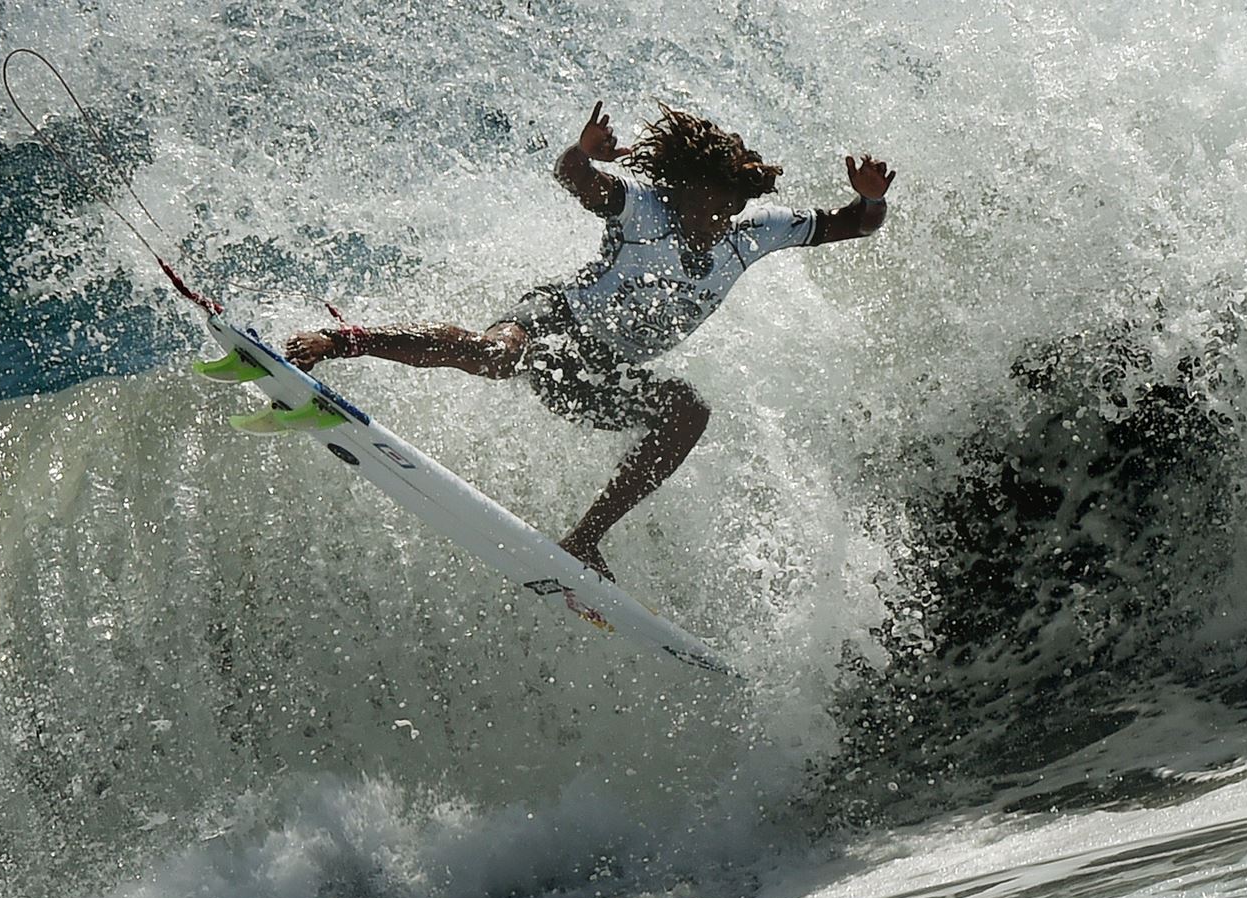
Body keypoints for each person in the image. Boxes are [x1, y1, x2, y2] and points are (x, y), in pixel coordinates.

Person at [285, 101, 895, 581]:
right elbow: (574, 178)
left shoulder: (756, 233)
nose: (718, 213)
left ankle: (584, 540)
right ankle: (343, 341)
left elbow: (855, 225)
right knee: (495, 356)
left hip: (597, 374)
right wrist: (582, 152)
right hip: (555, 320)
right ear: (680, 187)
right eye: (710, 199)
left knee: (688, 413)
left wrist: (870, 200)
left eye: (729, 203)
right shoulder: (641, 206)